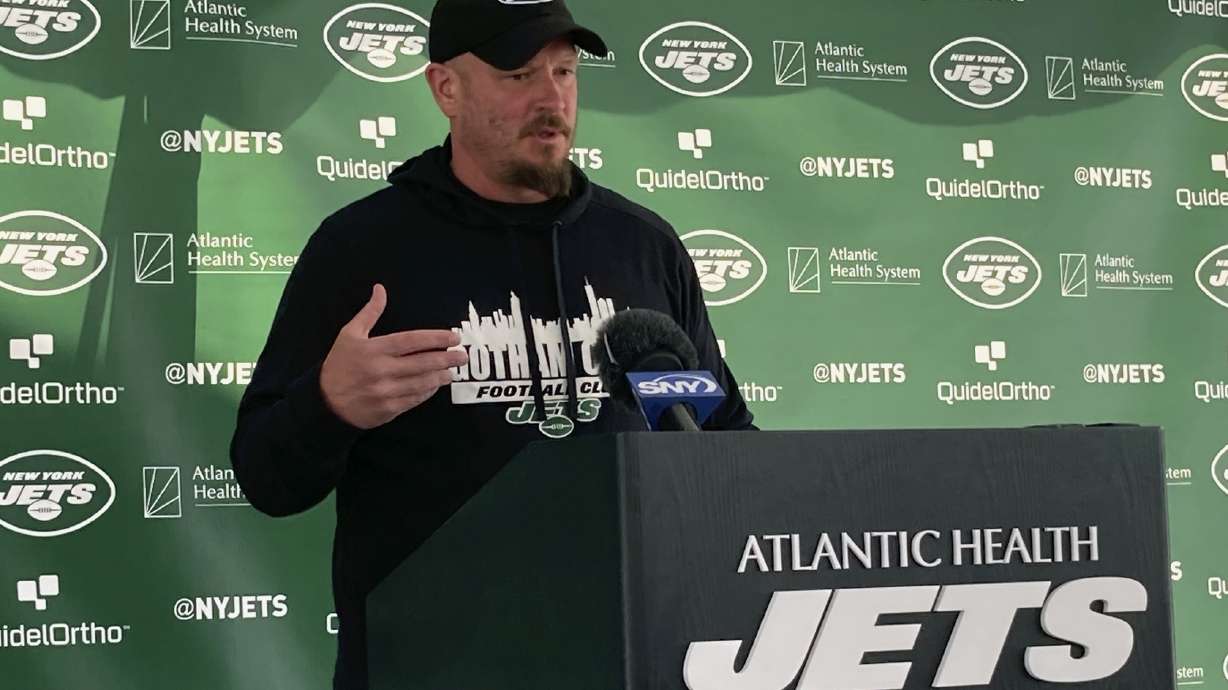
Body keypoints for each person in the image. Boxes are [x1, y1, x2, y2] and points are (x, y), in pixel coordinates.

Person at [229, 0, 755, 687]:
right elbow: (266, 478)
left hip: (627, 659)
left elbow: (720, 445)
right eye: (518, 74)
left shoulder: (642, 247)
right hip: (430, 668)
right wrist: (329, 405)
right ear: (445, 87)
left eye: (565, 71)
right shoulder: (360, 248)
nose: (551, 97)